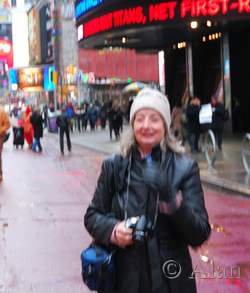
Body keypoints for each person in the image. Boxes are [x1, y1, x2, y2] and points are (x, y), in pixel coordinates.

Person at [84, 88, 211, 292]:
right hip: (123, 280)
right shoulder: (114, 166)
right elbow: (92, 216)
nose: (146, 126)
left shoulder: (185, 168)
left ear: (165, 125)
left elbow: (200, 233)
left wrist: (171, 199)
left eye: (154, 119)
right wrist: (114, 230)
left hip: (171, 282)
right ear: (132, 123)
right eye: (140, 119)